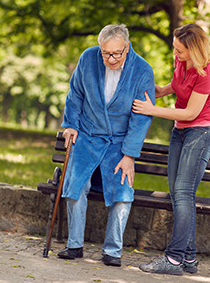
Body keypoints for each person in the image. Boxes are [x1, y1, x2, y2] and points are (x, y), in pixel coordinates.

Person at [57, 24, 155, 267]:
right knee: (74, 185)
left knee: (122, 193)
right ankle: (74, 245)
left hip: (120, 143)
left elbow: (141, 117)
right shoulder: (88, 58)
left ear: (127, 47)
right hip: (88, 135)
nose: (111, 59)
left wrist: (130, 155)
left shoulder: (142, 70)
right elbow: (75, 94)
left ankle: (112, 251)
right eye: (105, 53)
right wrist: (71, 124)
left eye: (116, 54)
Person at [132, 23, 210, 276]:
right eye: (174, 48)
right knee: (178, 193)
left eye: (180, 50)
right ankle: (189, 259)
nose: (175, 54)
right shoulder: (182, 61)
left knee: (182, 192)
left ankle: (173, 260)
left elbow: (192, 112)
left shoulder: (208, 73)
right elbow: (177, 85)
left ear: (194, 50)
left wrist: (152, 110)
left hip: (202, 132)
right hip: (180, 131)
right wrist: (158, 91)